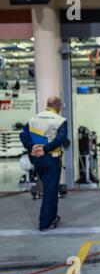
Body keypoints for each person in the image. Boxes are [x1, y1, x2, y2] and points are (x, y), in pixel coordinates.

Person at [20, 96, 68, 231]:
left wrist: (32, 147)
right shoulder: (60, 120)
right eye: (61, 106)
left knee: (50, 189)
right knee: (50, 191)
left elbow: (23, 135)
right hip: (51, 159)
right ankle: (45, 223)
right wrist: (45, 149)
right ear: (57, 105)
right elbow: (61, 139)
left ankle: (52, 216)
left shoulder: (34, 118)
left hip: (37, 159)